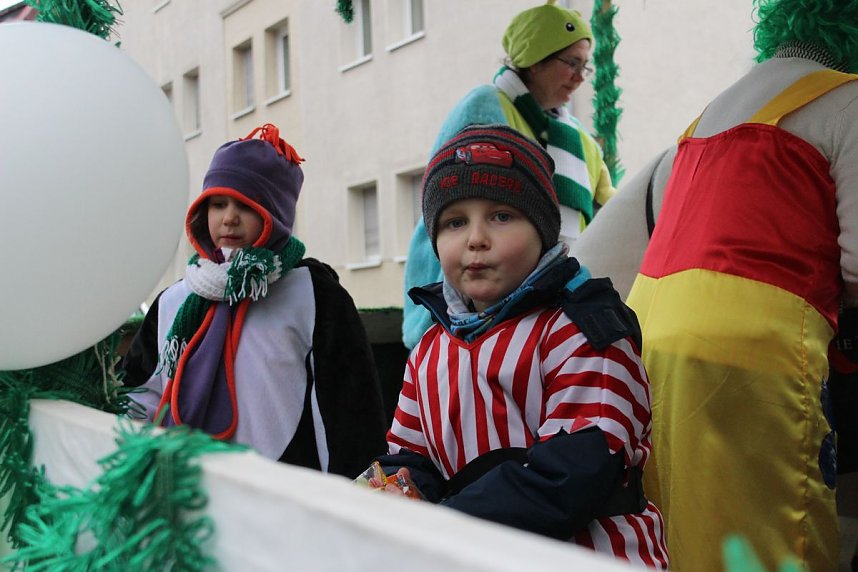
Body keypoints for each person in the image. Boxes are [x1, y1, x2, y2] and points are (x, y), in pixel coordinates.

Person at [571, 0, 858, 569]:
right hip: (755, 346)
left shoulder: (708, 115)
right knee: (781, 537)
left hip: (651, 341)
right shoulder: (846, 99)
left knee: (688, 530)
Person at [369, 124, 668, 569]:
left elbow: (573, 472)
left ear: (543, 230)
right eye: (455, 222)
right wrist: (381, 503)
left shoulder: (581, 329)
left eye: (501, 216)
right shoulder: (430, 349)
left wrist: (443, 526)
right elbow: (411, 458)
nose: (475, 238)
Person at [122, 124, 387, 478]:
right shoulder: (175, 300)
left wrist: (348, 499)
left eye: (246, 205)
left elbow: (348, 410)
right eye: (217, 204)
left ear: (274, 215)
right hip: (190, 485)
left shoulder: (311, 294)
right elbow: (142, 395)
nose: (228, 217)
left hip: (285, 494)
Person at [401, 0, 615, 350]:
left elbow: (612, 213)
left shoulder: (580, 140)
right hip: (475, 316)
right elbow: (446, 203)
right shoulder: (485, 106)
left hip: (554, 308)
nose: (579, 76)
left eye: (585, 67)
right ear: (535, 58)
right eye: (571, 63)